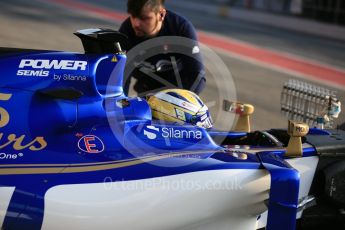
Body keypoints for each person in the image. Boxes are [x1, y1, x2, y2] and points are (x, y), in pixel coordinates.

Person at [119, 0, 206, 96]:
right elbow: (119, 77)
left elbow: (197, 76)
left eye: (144, 18)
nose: (136, 24)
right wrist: (121, 104)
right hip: (147, 93)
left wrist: (178, 101)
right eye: (133, 16)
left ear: (161, 15)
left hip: (179, 94)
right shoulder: (126, 32)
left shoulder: (180, 29)